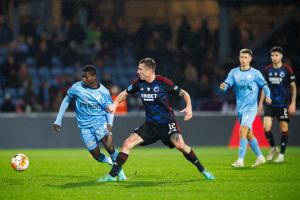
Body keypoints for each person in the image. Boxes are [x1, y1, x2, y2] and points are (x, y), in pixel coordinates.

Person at [97, 58, 214, 182]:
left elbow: (184, 94)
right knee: (127, 143)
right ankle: (111, 175)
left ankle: (203, 170)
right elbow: (124, 93)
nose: (138, 71)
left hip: (167, 123)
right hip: (151, 125)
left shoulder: (163, 82)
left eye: (140, 69)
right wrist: (115, 104)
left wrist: (189, 107)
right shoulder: (139, 83)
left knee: (180, 146)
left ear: (149, 70)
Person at [52, 65, 126, 180]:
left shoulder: (103, 92)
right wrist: (58, 119)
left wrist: (110, 124)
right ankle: (111, 162)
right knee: (96, 156)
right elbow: (66, 99)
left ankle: (119, 172)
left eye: (86, 77)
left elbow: (110, 110)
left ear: (93, 77)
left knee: (109, 146)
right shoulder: (77, 87)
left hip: (99, 123)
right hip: (84, 127)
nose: (83, 79)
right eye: (83, 77)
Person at [220, 49, 272, 167]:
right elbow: (227, 84)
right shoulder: (234, 72)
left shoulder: (255, 73)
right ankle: (260, 157)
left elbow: (265, 86)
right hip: (241, 108)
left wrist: (268, 96)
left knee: (242, 130)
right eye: (241, 57)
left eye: (245, 57)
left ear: (250, 59)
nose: (243, 60)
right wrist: (224, 86)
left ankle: (240, 160)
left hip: (251, 108)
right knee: (248, 134)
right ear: (239, 58)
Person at [258, 46, 297, 163]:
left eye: (276, 55)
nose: (274, 57)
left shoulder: (287, 69)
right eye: (272, 55)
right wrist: (260, 103)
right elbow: (264, 88)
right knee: (266, 128)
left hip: (283, 104)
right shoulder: (267, 70)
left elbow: (293, 87)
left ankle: (282, 154)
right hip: (270, 104)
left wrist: (293, 103)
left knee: (284, 128)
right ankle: (274, 147)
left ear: (281, 56)